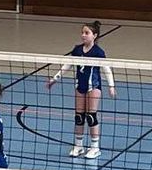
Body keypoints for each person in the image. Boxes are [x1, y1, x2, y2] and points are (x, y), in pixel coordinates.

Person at [46, 20, 116, 159]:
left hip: (93, 86)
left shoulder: (98, 52)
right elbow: (68, 65)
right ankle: (79, 145)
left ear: (94, 35)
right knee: (79, 117)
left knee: (91, 116)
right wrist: (55, 78)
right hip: (80, 86)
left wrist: (111, 86)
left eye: (87, 33)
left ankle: (95, 147)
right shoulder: (77, 50)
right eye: (82, 33)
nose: (83, 35)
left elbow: (106, 68)